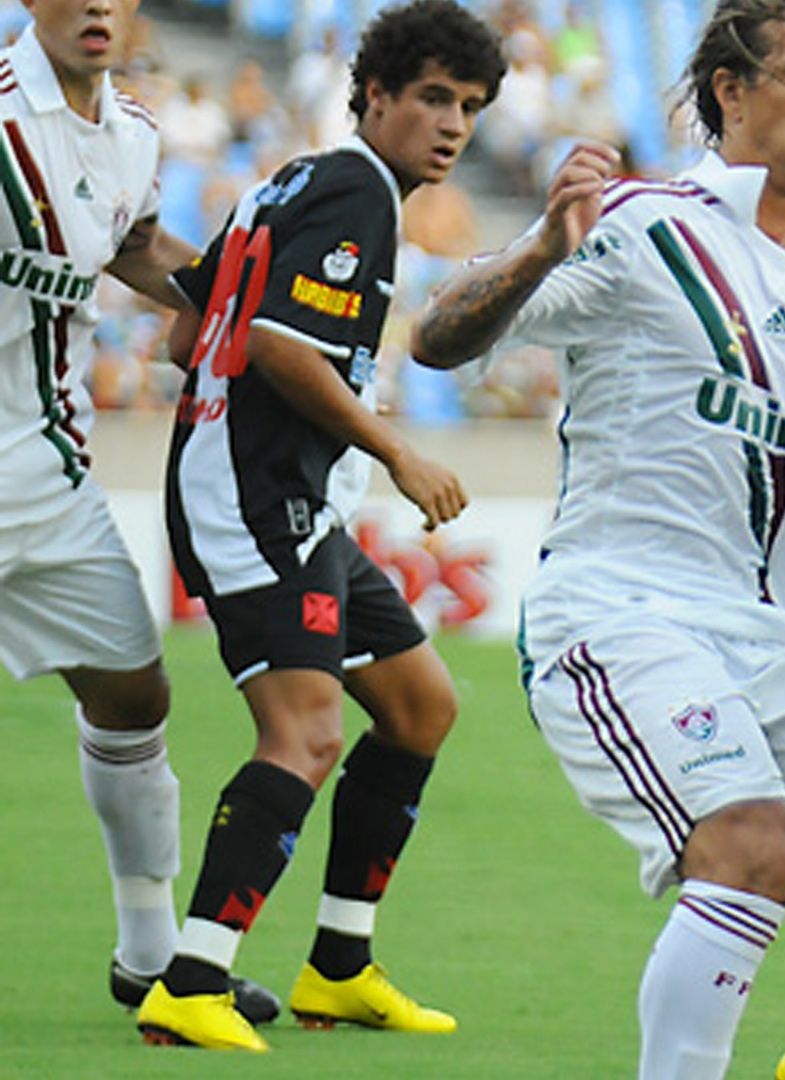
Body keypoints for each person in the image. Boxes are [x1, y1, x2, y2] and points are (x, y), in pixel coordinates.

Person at [409, 2, 785, 1077]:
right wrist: (541, 247)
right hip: (620, 615)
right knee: (749, 848)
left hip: (773, 640)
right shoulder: (642, 227)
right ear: (731, 91)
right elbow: (441, 335)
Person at [133, 0, 505, 1051]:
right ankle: (192, 979)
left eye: (470, 106)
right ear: (375, 95)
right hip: (255, 499)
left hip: (284, 496)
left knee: (420, 704)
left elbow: (188, 331)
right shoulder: (357, 192)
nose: (454, 124)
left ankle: (339, 964)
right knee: (304, 735)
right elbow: (276, 349)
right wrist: (399, 449)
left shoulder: (294, 180)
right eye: (433, 97)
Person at [0, 0, 282, 1026]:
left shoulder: (130, 131)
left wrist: (243, 306)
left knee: (131, 695)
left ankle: (149, 953)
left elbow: (129, 242)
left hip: (45, 471)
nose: (98, 10)